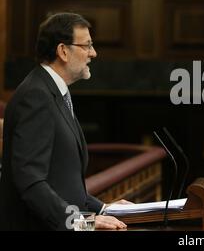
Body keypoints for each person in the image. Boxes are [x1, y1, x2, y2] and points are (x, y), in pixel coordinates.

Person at [0, 13, 130, 231]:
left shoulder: (53, 92)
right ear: (63, 51)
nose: (93, 53)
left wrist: (103, 209)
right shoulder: (36, 96)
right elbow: (30, 182)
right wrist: (83, 223)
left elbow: (62, 182)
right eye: (87, 45)